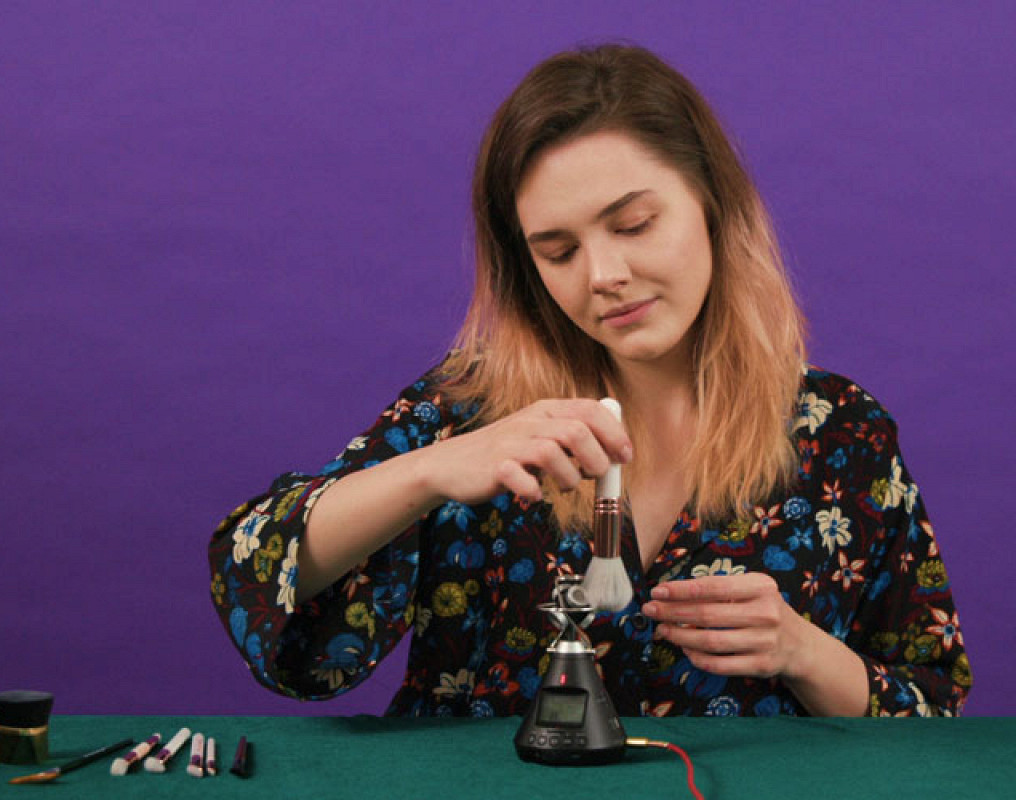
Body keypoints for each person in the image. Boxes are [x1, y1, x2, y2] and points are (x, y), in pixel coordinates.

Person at [208, 43, 971, 718]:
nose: (604, 275)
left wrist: (803, 652)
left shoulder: (844, 434)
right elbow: (251, 572)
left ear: (713, 202)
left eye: (634, 225)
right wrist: (431, 469)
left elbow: (930, 704)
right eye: (558, 251)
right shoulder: (471, 410)